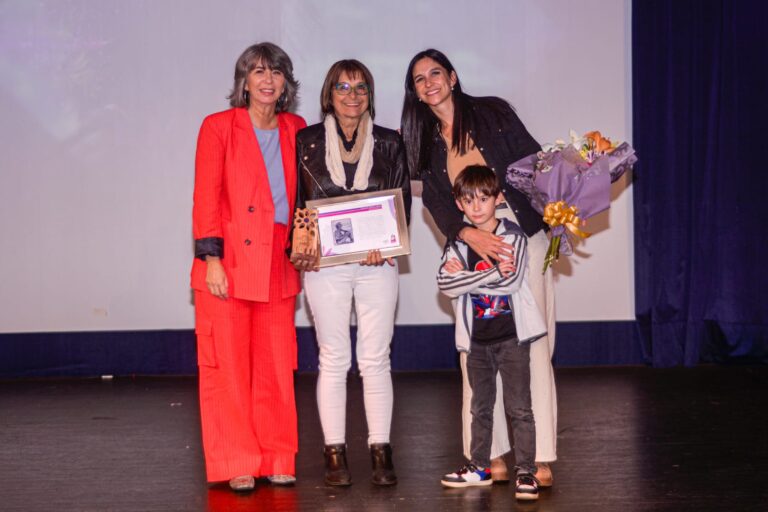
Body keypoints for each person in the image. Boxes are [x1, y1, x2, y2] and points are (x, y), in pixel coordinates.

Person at [401, 48, 557, 487]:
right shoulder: (423, 140)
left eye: (435, 73)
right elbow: (434, 200)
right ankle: (487, 455)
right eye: (418, 79)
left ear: (452, 77)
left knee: (531, 347)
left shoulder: (493, 113)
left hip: (521, 239)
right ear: (414, 91)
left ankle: (538, 455)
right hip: (471, 249)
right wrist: (468, 235)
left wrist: (555, 206)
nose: (429, 82)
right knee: (477, 351)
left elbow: (535, 164)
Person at [191, 42, 306, 492]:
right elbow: (205, 196)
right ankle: (236, 458)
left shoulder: (297, 127)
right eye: (258, 72)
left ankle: (278, 455)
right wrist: (211, 260)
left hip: (279, 259)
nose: (267, 80)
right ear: (244, 80)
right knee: (228, 368)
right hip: (230, 261)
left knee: (278, 365)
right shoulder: (218, 126)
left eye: (275, 72)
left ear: (285, 83)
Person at [292, 59, 411, 487]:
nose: (352, 95)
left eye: (361, 88)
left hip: (376, 265)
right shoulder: (304, 141)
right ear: (329, 93)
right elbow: (296, 206)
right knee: (333, 359)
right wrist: (304, 248)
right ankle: (335, 455)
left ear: (370, 95)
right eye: (343, 87)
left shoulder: (389, 142)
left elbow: (401, 208)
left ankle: (381, 451)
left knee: (376, 360)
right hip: (325, 267)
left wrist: (390, 243)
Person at [437, 165, 545, 501]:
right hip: (477, 342)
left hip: (511, 338)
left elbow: (511, 281)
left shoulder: (512, 235)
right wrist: (489, 273)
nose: (477, 206)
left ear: (497, 198)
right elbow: (444, 284)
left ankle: (526, 473)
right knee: (480, 407)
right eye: (469, 201)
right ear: (459, 204)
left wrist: (467, 276)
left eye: (484, 198)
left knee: (519, 408)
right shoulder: (457, 241)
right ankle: (479, 466)